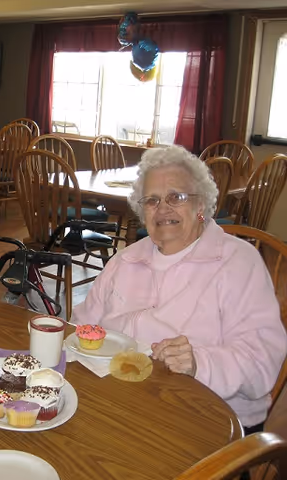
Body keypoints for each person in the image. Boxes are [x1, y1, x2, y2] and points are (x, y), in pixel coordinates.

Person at [73, 145, 287, 433]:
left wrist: (200, 364)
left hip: (209, 421)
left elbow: (262, 364)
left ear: (201, 207)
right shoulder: (125, 260)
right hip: (123, 406)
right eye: (152, 200)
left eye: (177, 197)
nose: (163, 209)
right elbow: (81, 328)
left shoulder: (238, 263)